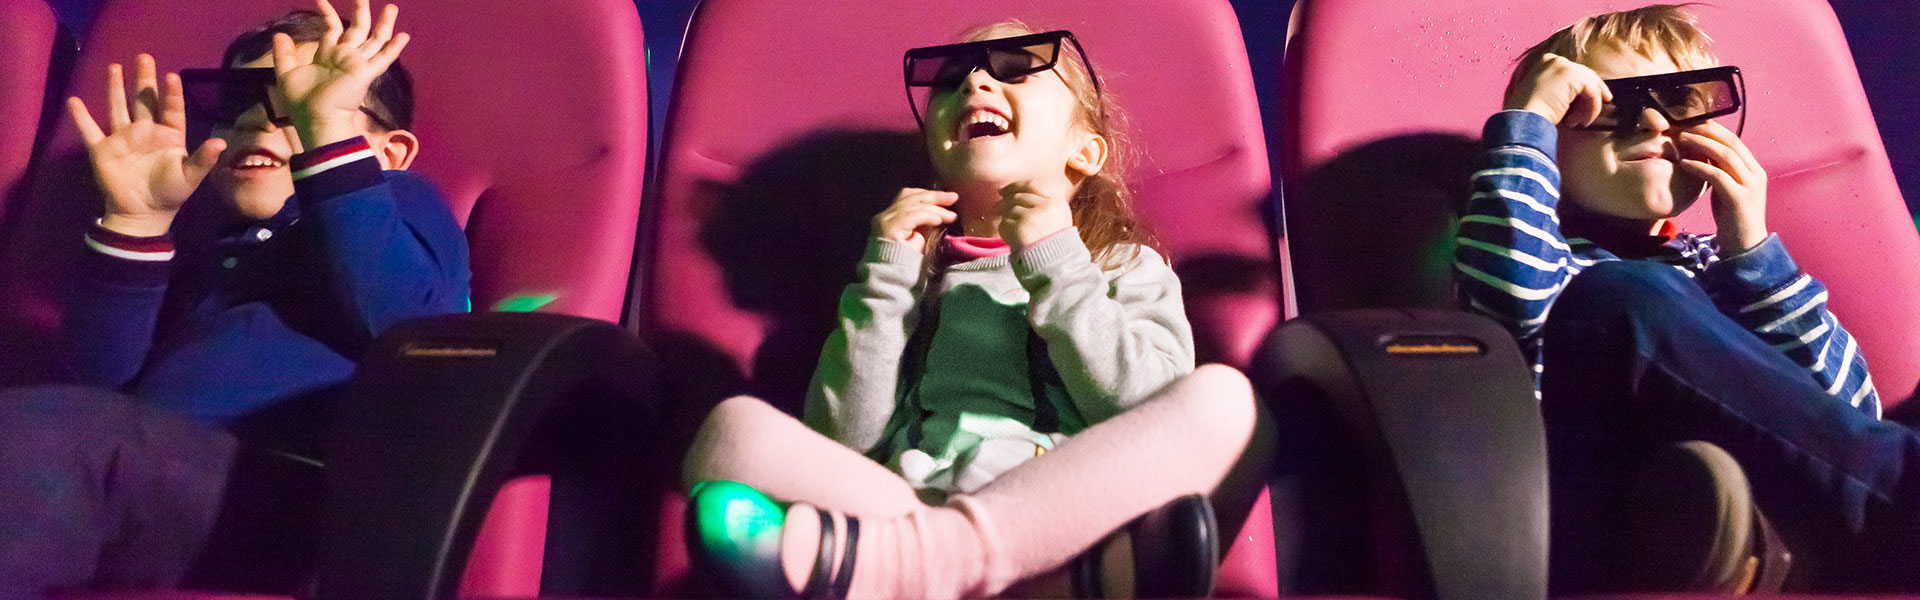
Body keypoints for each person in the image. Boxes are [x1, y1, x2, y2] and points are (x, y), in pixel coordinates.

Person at [679, 21, 1272, 599]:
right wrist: (884, 285)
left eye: (1017, 65)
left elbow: (1145, 405)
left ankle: (920, 568)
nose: (975, 84)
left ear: (1085, 151)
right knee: (727, 433)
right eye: (953, 78)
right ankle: (1016, 582)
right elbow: (844, 443)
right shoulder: (905, 277)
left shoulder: (1121, 264)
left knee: (1230, 405)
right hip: (913, 504)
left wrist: (1057, 262)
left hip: (1064, 523)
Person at [0, 0, 466, 594]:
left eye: (302, 101)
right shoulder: (210, 252)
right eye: (237, 104)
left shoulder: (403, 205)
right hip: (139, 482)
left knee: (73, 440)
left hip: (299, 497)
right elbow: (89, 388)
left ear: (389, 154)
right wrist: (136, 223)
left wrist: (328, 141)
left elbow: (402, 325)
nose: (259, 121)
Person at [1458, 4, 1915, 593]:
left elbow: (1848, 417)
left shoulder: (1723, 274)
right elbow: (1509, 295)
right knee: (1623, 296)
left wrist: (1752, 255)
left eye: (1679, 105)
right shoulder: (1536, 253)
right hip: (1599, 514)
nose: (1651, 123)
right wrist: (1526, 127)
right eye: (1611, 106)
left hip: (1803, 523)